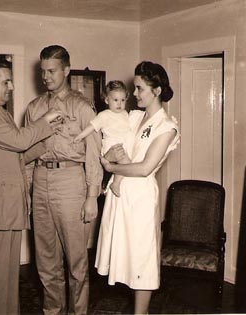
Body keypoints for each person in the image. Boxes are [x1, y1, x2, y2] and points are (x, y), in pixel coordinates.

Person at [0, 57, 63, 315]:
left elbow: (17, 154)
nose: (11, 87)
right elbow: (19, 141)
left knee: (6, 283)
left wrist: (47, 136)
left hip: (5, 209)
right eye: (5, 81)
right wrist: (45, 122)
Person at [95, 61, 180, 314]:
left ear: (156, 90)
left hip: (140, 198)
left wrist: (111, 168)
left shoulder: (167, 127)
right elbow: (112, 145)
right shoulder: (133, 117)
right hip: (121, 195)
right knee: (127, 260)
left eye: (139, 89)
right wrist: (109, 155)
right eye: (134, 88)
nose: (134, 94)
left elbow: (144, 168)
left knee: (142, 261)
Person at [24, 45, 103, 315]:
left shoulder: (82, 107)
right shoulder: (34, 109)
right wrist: (27, 194)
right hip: (41, 178)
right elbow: (26, 155)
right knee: (46, 261)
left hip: (71, 181)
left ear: (66, 70)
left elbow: (94, 153)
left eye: (52, 71)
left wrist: (92, 195)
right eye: (43, 71)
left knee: (76, 262)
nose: (46, 76)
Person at [74, 80, 131, 197]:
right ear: (106, 100)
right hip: (111, 145)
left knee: (126, 164)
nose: (119, 103)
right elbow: (91, 126)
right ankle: (116, 183)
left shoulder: (125, 114)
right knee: (127, 164)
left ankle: (110, 183)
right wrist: (80, 136)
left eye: (122, 100)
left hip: (122, 145)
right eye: (115, 100)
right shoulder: (104, 115)